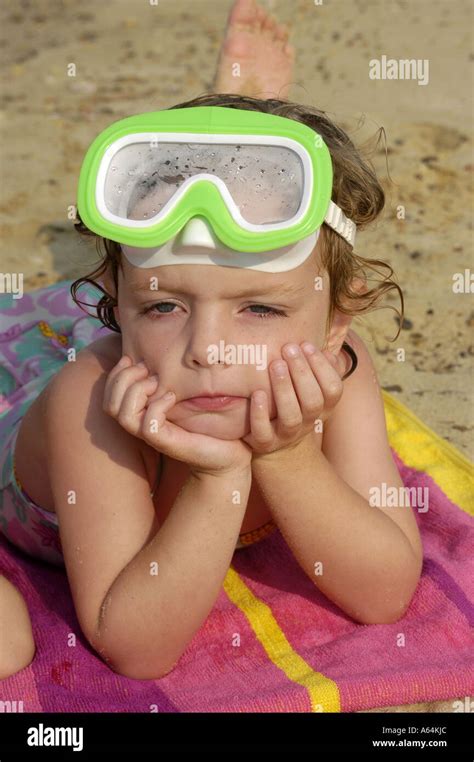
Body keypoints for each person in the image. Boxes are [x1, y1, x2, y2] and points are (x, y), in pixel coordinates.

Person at [0, 0, 422, 681]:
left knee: (193, 274)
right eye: (163, 305)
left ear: (336, 322)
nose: (211, 348)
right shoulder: (92, 404)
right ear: (119, 304)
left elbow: (385, 593)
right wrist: (217, 478)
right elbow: (137, 646)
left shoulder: (338, 369)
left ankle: (238, 139)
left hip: (126, 331)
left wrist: (287, 458)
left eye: (258, 309)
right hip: (23, 377)